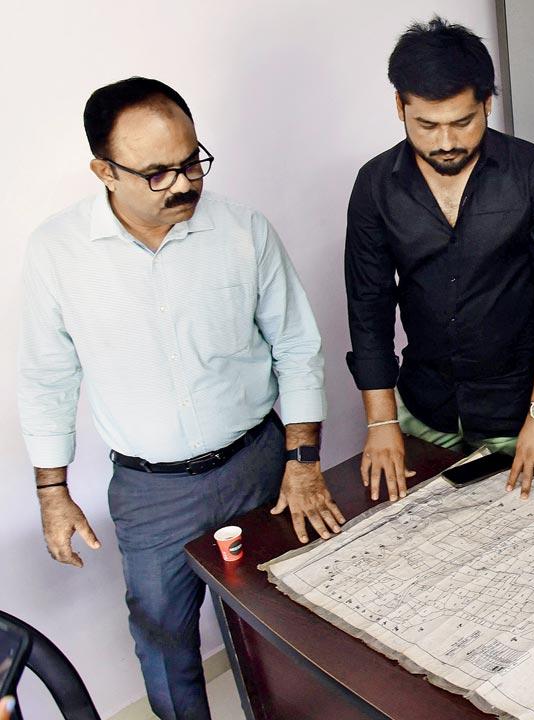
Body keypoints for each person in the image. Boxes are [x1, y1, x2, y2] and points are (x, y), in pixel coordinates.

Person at [18, 77, 343, 720]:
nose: (185, 184)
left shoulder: (243, 228)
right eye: (158, 173)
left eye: (192, 160)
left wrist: (303, 462)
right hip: (151, 492)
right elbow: (46, 377)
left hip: (261, 463)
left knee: (294, 616)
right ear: (104, 171)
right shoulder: (58, 253)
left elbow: (297, 347)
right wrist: (53, 492)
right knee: (163, 638)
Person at [345, 18, 534, 502]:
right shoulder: (375, 185)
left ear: (487, 103)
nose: (445, 142)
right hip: (423, 409)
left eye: (463, 122)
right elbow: (368, 309)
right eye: (427, 125)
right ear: (400, 106)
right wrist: (382, 420)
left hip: (521, 412)